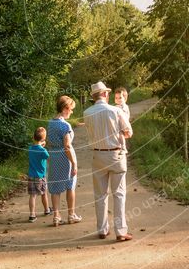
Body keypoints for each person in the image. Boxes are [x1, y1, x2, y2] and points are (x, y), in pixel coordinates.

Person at [83, 81, 133, 241]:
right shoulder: (116, 111)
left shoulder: (87, 113)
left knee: (100, 195)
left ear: (94, 96)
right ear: (104, 94)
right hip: (116, 155)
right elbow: (128, 132)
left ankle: (102, 229)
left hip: (97, 155)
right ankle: (120, 231)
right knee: (118, 194)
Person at [47, 96, 82, 226]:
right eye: (71, 109)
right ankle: (71, 215)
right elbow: (67, 146)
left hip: (54, 157)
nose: (71, 112)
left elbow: (49, 142)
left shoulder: (50, 123)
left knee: (55, 188)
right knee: (70, 186)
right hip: (65, 158)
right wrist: (73, 163)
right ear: (65, 108)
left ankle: (56, 216)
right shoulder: (64, 125)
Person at [27, 127, 52, 222]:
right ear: (44, 139)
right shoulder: (43, 150)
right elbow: (47, 156)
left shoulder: (30, 149)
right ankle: (46, 210)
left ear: (33, 137)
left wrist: (40, 144)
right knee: (44, 193)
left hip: (31, 175)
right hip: (40, 176)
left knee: (32, 195)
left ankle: (32, 215)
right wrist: (43, 146)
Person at [114, 87, 131, 152]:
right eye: (116, 98)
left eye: (120, 98)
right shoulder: (116, 106)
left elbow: (124, 115)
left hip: (123, 124)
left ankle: (123, 147)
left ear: (125, 98)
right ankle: (118, 145)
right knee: (117, 134)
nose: (118, 99)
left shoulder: (124, 106)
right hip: (118, 123)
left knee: (121, 134)